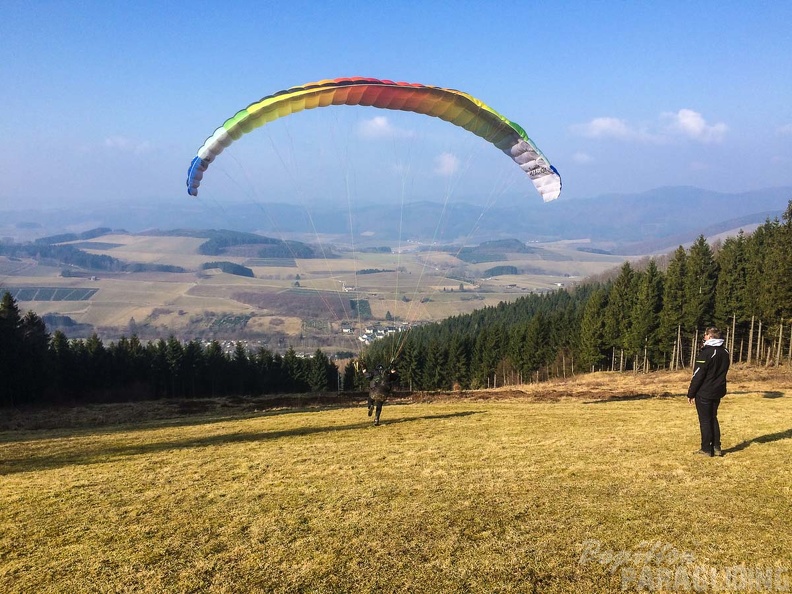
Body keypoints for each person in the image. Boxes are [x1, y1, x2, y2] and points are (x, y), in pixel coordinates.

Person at [687, 326, 730, 457]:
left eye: (705, 335)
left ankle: (706, 449)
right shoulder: (725, 351)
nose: (704, 337)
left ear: (710, 336)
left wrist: (691, 393)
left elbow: (698, 375)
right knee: (713, 418)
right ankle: (716, 447)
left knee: (705, 420)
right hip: (718, 390)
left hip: (705, 392)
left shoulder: (707, 352)